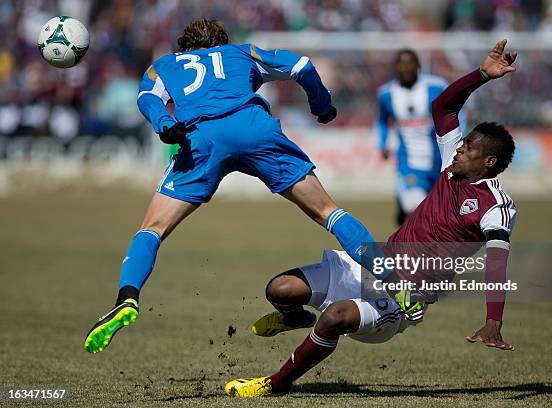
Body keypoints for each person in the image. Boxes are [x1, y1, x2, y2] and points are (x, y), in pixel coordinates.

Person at [225, 39, 518, 398]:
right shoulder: (450, 168)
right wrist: (482, 75)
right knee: (279, 289)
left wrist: (494, 320)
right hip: (374, 265)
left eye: (469, 146)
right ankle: (294, 316)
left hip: (404, 298)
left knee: (333, 319)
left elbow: (497, 262)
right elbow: (444, 106)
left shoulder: (496, 205)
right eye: (463, 142)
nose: (459, 147)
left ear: (489, 161)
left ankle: (276, 383)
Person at [83, 19, 388, 354]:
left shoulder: (163, 66)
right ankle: (390, 280)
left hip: (203, 140)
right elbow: (302, 66)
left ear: (184, 48)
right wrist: (321, 105)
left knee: (152, 229)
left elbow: (146, 98)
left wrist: (165, 124)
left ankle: (126, 299)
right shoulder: (241, 53)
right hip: (254, 129)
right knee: (329, 211)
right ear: (220, 42)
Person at [377, 49, 464, 225]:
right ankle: (415, 248)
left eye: (410, 63)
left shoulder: (436, 86)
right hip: (408, 162)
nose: (406, 67)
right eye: (402, 63)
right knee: (415, 208)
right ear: (395, 67)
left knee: (441, 211)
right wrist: (383, 144)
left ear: (418, 65)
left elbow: (456, 112)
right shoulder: (386, 93)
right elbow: (382, 121)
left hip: (438, 159)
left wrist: (459, 140)